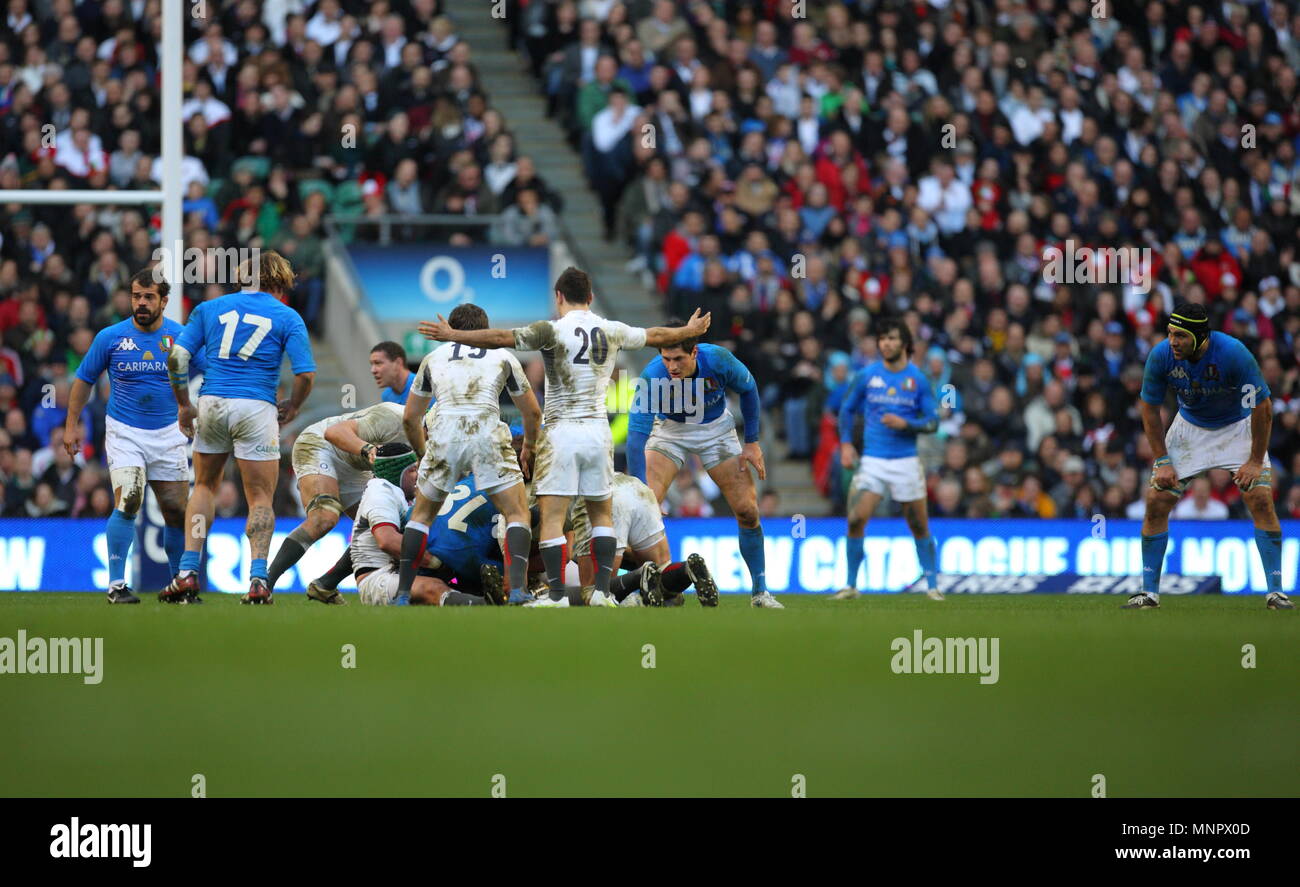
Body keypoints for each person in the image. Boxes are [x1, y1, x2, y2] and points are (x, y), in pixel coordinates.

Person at [418, 266, 709, 608]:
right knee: (601, 515)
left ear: (558, 297)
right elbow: (656, 335)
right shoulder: (612, 329)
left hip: (561, 432)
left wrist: (454, 335)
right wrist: (689, 330)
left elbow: (499, 339)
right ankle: (601, 592)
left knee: (553, 517)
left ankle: (555, 595)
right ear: (591, 297)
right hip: (598, 434)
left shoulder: (551, 330)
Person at [163, 250, 316, 605]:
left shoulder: (210, 308)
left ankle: (187, 573)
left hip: (212, 401)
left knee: (203, 485)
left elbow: (177, 357)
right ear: (278, 281)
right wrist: (293, 406)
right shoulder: (287, 315)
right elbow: (306, 374)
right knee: (260, 496)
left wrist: (185, 405)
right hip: (256, 406)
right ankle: (259, 580)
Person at [1128, 302, 1292, 610]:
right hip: (1189, 427)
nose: (1173, 341)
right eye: (1170, 334)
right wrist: (1162, 460)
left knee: (1259, 498)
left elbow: (1263, 407)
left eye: (1180, 336)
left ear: (1200, 336)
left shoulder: (1234, 353)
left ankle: (1276, 592)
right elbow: (1149, 408)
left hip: (1236, 426)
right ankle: (1149, 593)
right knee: (1156, 501)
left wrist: (1255, 461)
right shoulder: (1161, 355)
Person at [63, 268, 204, 603]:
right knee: (128, 501)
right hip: (125, 432)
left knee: (175, 511)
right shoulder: (110, 337)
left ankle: (177, 585)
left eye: (149, 297)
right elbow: (84, 380)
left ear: (164, 301)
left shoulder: (181, 337)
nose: (141, 303)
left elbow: (211, 370)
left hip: (169, 433)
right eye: (136, 296)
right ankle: (116, 586)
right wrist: (71, 424)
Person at [625, 322, 778, 607]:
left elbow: (748, 388)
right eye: (666, 358)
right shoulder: (652, 376)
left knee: (747, 510)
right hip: (670, 431)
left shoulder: (717, 359)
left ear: (694, 352)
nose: (671, 366)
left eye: (678, 358)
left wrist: (752, 442)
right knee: (640, 512)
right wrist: (642, 492)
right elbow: (636, 438)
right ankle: (643, 586)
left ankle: (760, 592)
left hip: (716, 430)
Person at [397, 303, 542, 604]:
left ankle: (402, 593)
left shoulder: (432, 358)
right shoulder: (503, 356)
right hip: (487, 434)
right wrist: (529, 444)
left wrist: (422, 453)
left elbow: (410, 418)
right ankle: (516, 590)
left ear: (451, 329)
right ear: (486, 330)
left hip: (445, 435)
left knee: (421, 517)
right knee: (516, 512)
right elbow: (532, 411)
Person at [834, 318, 941, 601]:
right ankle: (851, 585)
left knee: (918, 525)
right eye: (882, 338)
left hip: (906, 461)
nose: (886, 344)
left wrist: (906, 424)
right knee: (856, 519)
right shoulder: (867, 375)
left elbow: (933, 422)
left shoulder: (918, 379)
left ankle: (932, 586)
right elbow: (846, 410)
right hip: (873, 460)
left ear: (905, 344)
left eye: (892, 338)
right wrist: (846, 444)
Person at [266, 401, 409, 596]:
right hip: (321, 445)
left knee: (383, 527)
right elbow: (334, 432)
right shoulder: (394, 417)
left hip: (356, 468)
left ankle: (325, 584)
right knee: (324, 518)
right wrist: (367, 449)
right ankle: (265, 584)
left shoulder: (436, 445)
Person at [350, 443, 504, 606]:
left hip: (402, 569)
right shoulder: (381, 490)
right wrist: (436, 562)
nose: (418, 476)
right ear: (397, 473)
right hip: (378, 576)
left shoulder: (406, 497)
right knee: (433, 588)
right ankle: (493, 605)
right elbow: (387, 541)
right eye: (412, 470)